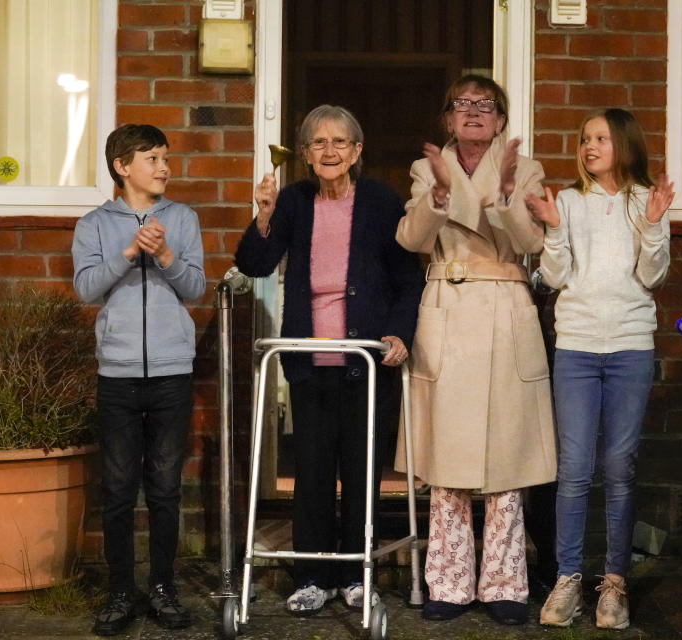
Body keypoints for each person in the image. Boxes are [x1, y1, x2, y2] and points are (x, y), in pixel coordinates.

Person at [234, 105, 424, 616]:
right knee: (313, 471)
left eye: (340, 142)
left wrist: (400, 333)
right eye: (319, 143)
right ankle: (314, 576)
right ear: (305, 155)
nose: (330, 151)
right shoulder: (294, 200)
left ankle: (357, 574)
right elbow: (252, 264)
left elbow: (409, 280)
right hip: (310, 359)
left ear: (357, 151)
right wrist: (265, 214)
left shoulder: (382, 201)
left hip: (365, 359)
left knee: (362, 470)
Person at [394, 74, 557, 626]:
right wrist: (438, 199)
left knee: (507, 457)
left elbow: (534, 243)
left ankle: (507, 584)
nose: (473, 113)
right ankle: (448, 580)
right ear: (447, 119)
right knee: (447, 457)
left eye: (485, 105)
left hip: (506, 308)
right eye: (462, 104)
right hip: (448, 305)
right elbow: (411, 240)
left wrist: (509, 194)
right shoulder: (426, 168)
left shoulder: (526, 168)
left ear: (501, 120)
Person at [526, 108, 673, 630]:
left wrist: (653, 225)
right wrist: (553, 228)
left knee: (619, 467)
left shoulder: (644, 201)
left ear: (625, 145)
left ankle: (614, 581)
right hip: (578, 349)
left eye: (601, 138)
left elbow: (653, 276)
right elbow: (553, 275)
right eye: (585, 138)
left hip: (630, 348)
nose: (590, 146)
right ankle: (568, 579)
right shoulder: (567, 200)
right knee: (574, 469)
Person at [72, 124, 206, 635]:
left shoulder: (183, 218)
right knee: (121, 490)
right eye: (151, 158)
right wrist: (130, 250)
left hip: (172, 371)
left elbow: (195, 287)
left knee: (166, 489)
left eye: (166, 158)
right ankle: (120, 591)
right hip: (119, 374)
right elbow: (86, 288)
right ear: (121, 166)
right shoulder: (94, 223)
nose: (164, 167)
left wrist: (167, 256)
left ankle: (164, 588)